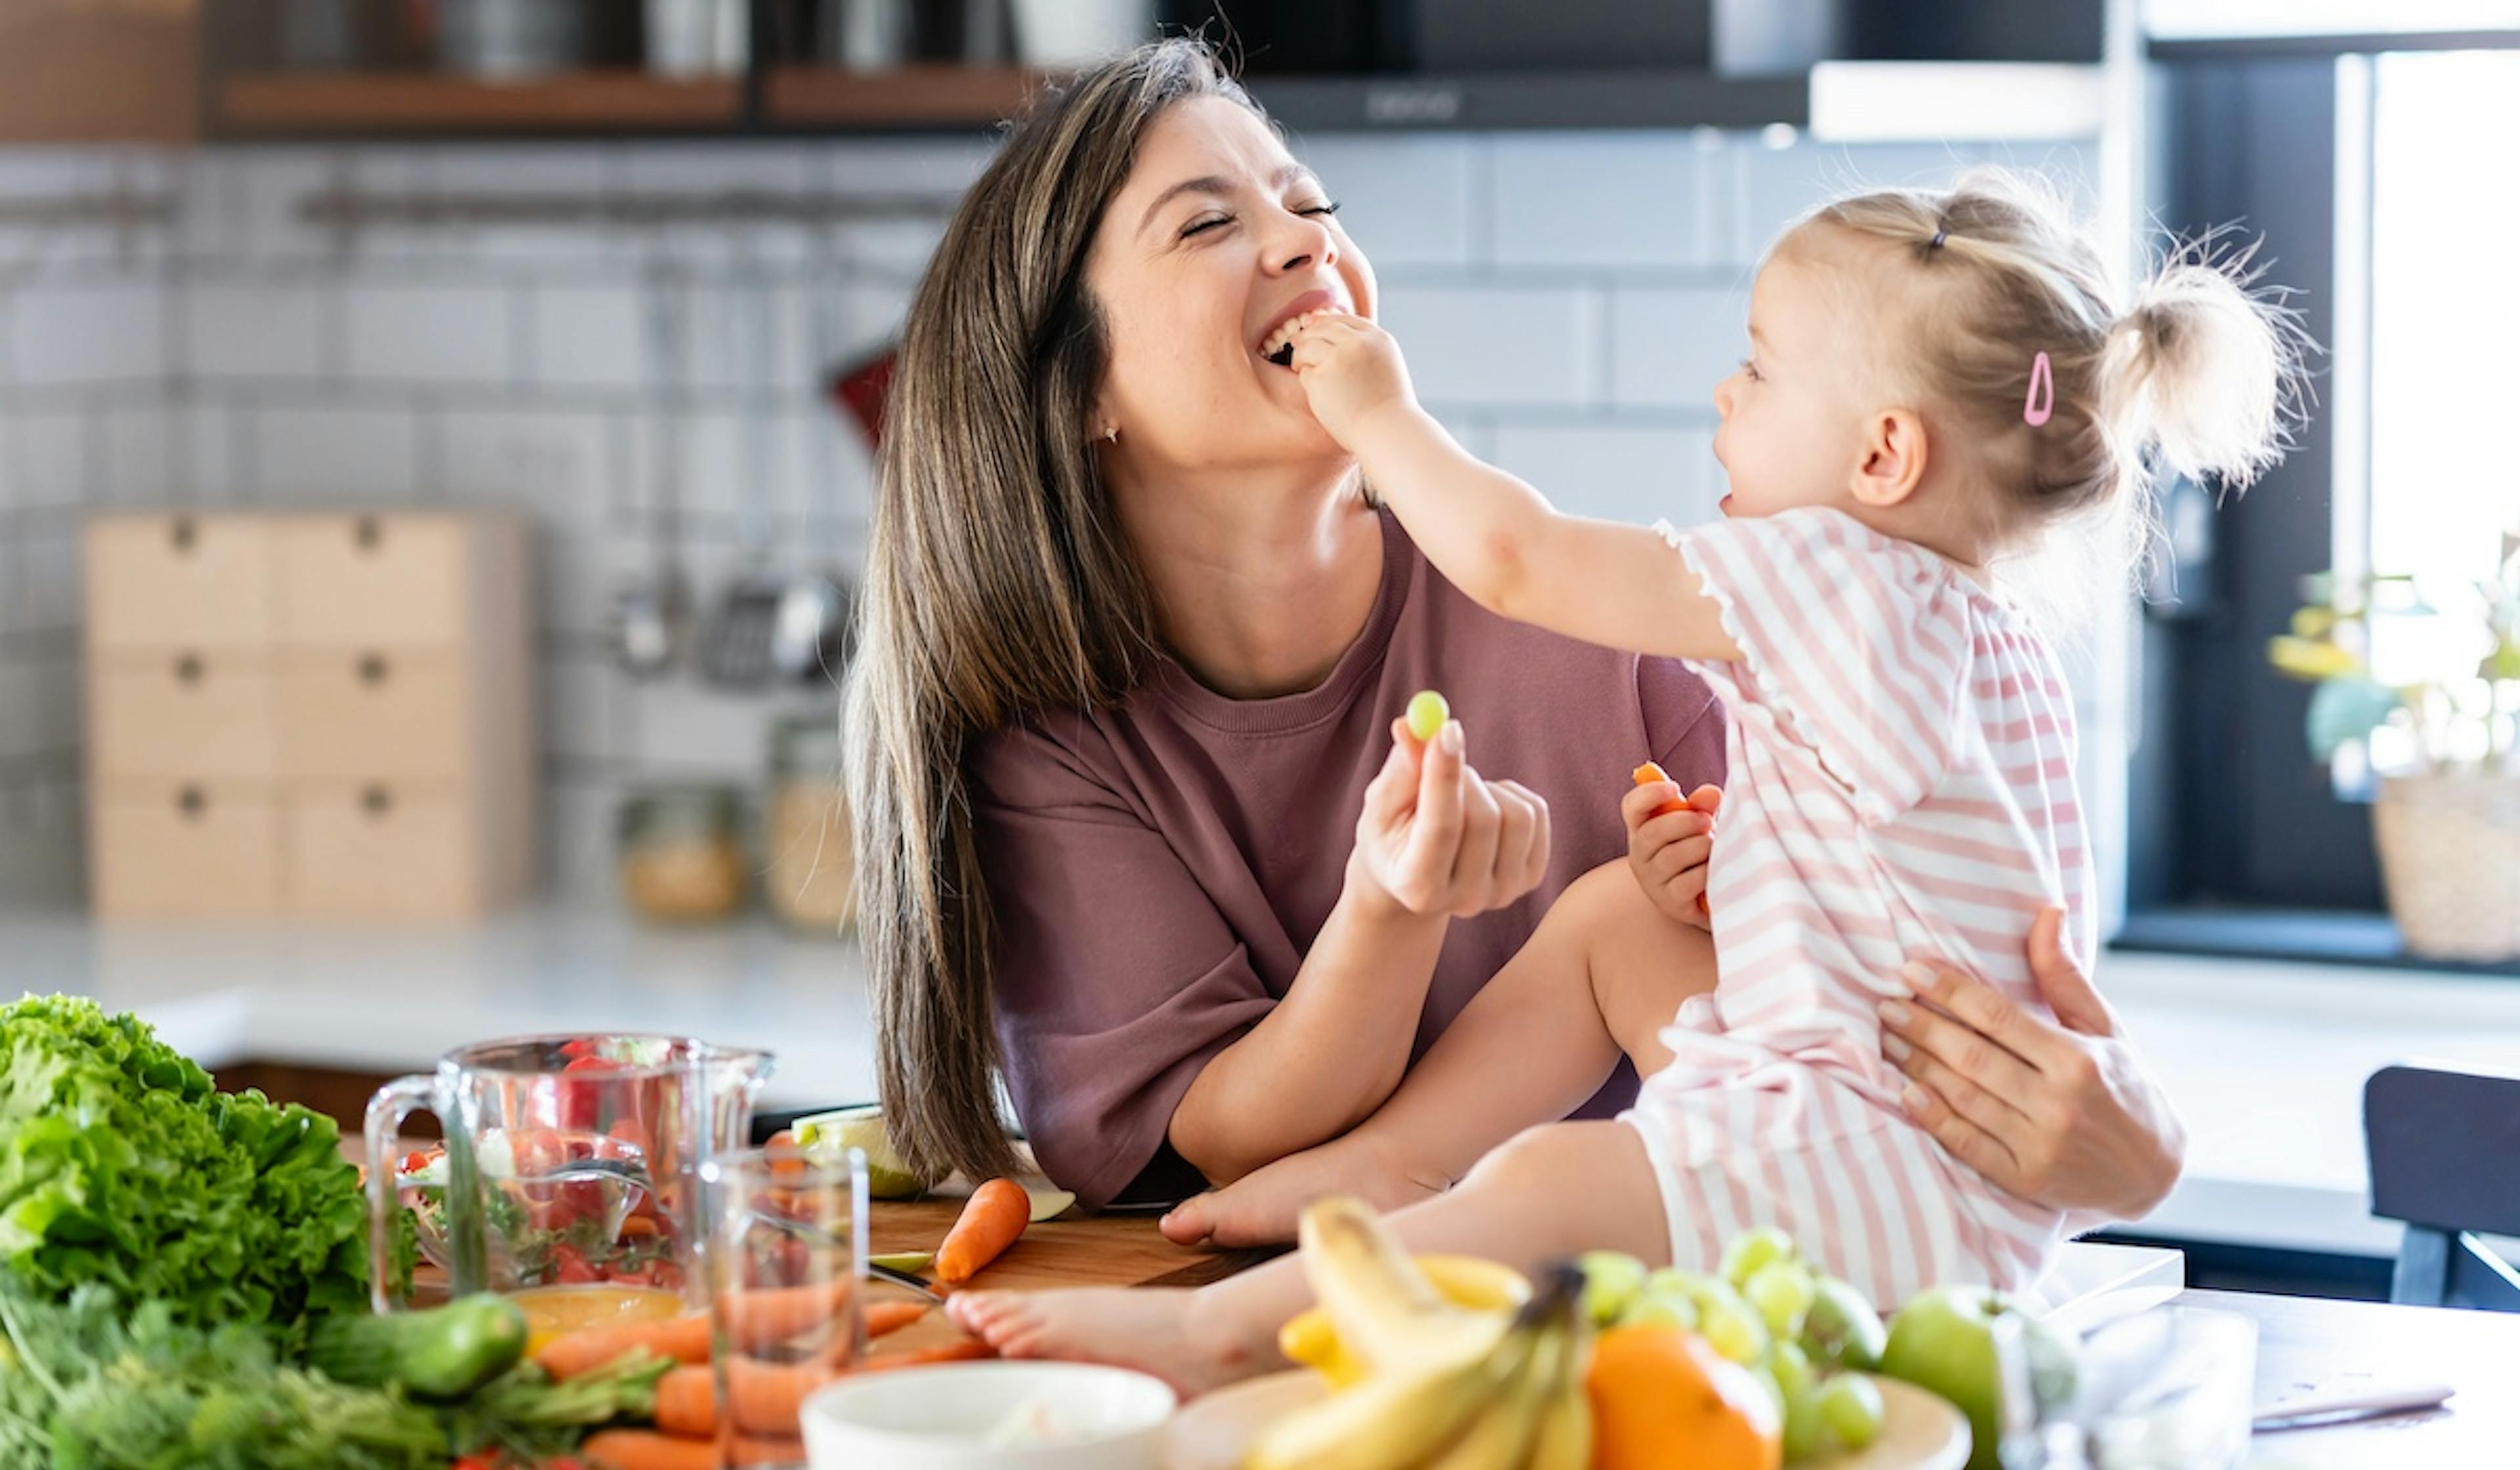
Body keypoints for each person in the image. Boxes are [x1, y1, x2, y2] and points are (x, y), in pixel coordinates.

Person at [946, 167, 2289, 1390]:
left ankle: (1213, 1336)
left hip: (1866, 1156)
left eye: (1757, 372)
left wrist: (1384, 413)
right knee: (1618, 918)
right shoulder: (1972, 632)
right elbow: (1907, 899)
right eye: (1209, 218)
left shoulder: (1831, 569)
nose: (1725, 396)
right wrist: (1746, 864)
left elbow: (1515, 556)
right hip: (1934, 1168)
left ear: (1882, 457)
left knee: (1548, 1180)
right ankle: (1398, 1156)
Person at [843, 39, 2185, 1242]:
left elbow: (1864, 1025)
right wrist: (1394, 907)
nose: (1305, 241)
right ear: (1079, 391)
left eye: (1313, 206)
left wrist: (2127, 1146)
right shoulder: (1054, 750)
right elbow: (1219, 1134)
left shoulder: (1607, 637)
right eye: (1209, 223)